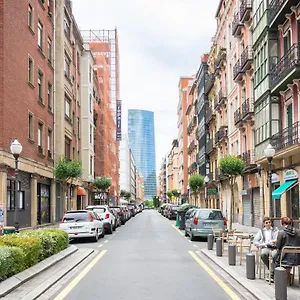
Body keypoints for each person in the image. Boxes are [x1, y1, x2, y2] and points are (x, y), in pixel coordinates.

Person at [253, 217, 278, 282]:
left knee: (275, 255)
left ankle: (271, 273)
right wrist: (262, 244)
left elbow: (277, 239)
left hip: (273, 247)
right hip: (266, 247)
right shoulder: (261, 231)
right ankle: (271, 269)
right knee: (263, 254)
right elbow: (255, 241)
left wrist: (274, 242)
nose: (268, 224)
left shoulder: (275, 230)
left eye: (269, 222)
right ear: (264, 224)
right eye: (266, 223)